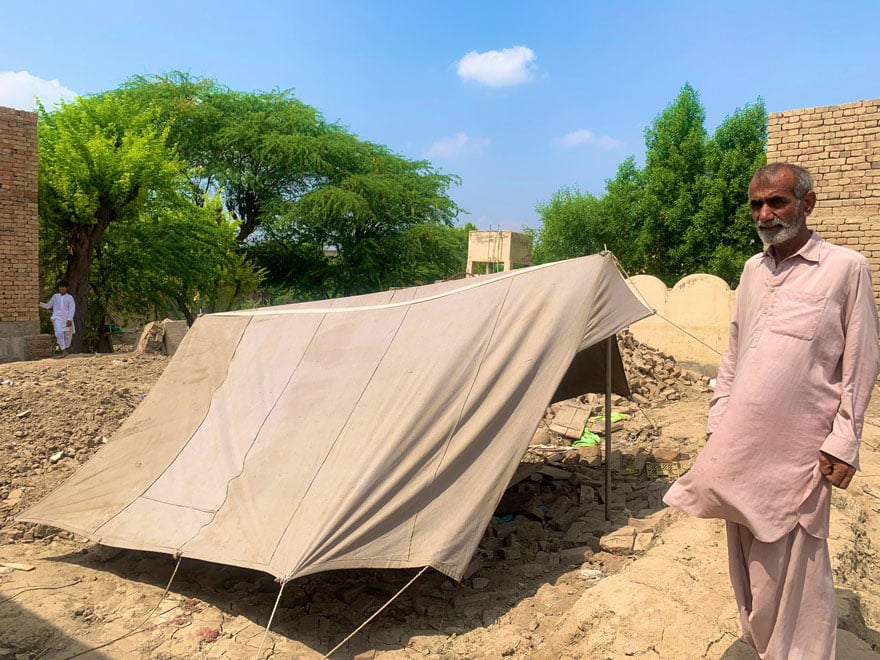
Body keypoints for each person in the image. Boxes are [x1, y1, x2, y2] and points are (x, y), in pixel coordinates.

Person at [663, 163, 880, 659]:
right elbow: (735, 352)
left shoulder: (846, 268)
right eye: (756, 205)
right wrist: (719, 420)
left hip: (801, 452)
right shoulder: (752, 271)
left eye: (777, 202)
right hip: (739, 445)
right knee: (746, 560)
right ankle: (765, 648)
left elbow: (861, 359)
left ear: (807, 203)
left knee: (796, 563)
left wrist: (845, 441)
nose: (765, 214)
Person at [39, 280, 76, 357]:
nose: (62, 288)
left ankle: (66, 349)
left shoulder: (69, 297)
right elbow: (49, 305)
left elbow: (72, 309)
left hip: (66, 318)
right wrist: (39, 304)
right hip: (57, 317)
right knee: (59, 332)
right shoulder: (55, 296)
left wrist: (69, 319)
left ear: (67, 288)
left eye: (63, 287)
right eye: (60, 287)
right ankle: (63, 350)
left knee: (67, 335)